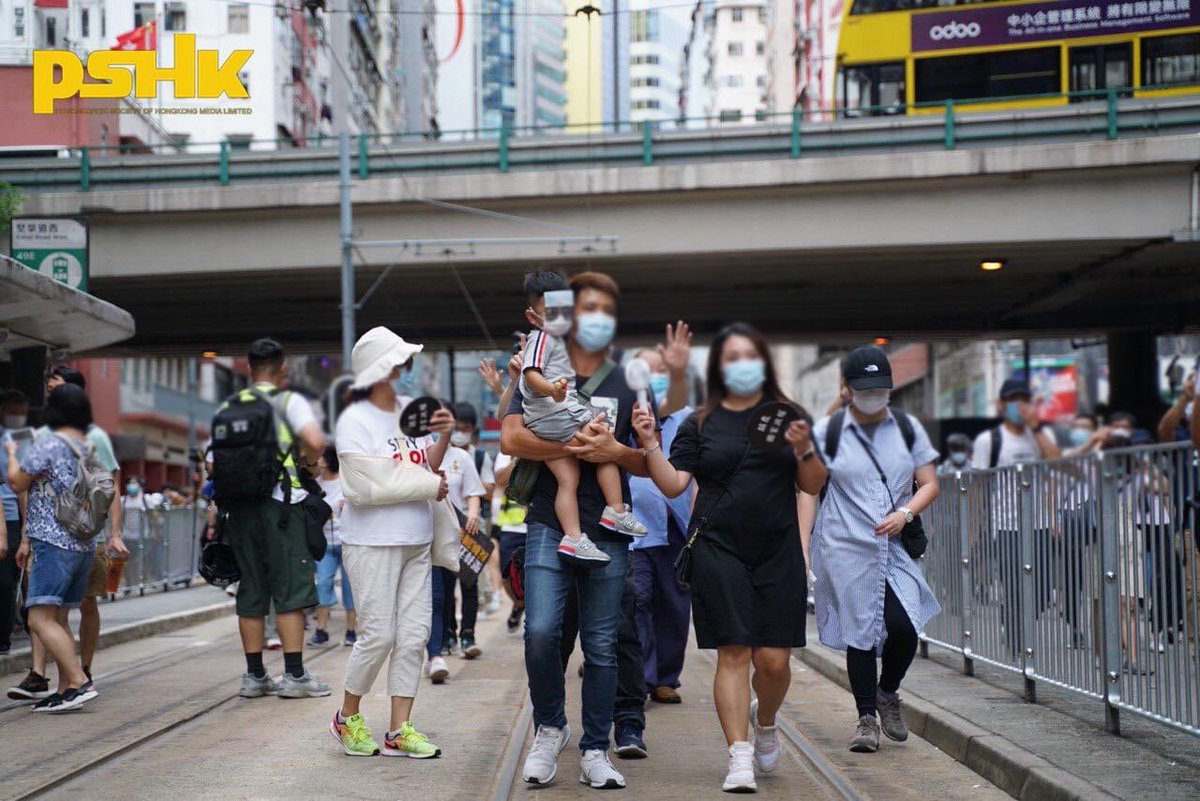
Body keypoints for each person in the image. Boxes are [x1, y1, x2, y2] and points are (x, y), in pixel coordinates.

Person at [632, 322, 827, 793]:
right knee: (735, 652)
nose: (742, 366)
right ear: (720, 367)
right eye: (732, 357)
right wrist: (650, 445)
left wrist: (803, 449)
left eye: (750, 356)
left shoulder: (790, 415)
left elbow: (813, 485)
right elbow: (675, 484)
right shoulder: (699, 422)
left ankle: (766, 723)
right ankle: (738, 754)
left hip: (777, 550)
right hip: (718, 548)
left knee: (775, 662)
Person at [501, 270, 656, 790]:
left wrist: (616, 452)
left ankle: (595, 747)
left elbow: (646, 461)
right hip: (549, 524)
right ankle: (550, 729)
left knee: (603, 644)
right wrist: (571, 447)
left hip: (608, 531)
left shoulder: (626, 377)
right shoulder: (531, 368)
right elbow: (510, 440)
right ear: (537, 316)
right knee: (541, 631)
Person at [811, 345, 941, 755]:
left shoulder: (907, 429)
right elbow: (809, 479)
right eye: (863, 389)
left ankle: (887, 693)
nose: (873, 396)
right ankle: (866, 718)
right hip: (845, 543)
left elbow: (930, 483)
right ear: (848, 388)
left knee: (904, 627)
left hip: (891, 543)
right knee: (861, 631)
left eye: (879, 388)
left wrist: (904, 513)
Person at [330, 326, 451, 758]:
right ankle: (347, 717)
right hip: (371, 542)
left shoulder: (409, 412)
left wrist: (445, 439)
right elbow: (365, 485)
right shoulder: (354, 419)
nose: (405, 371)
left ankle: (400, 729)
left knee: (414, 636)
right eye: (398, 364)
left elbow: (423, 468)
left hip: (417, 538)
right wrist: (425, 484)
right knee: (379, 636)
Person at [216, 338, 330, 700]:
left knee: (251, 590)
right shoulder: (287, 401)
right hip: (282, 507)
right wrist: (307, 462)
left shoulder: (231, 405)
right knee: (290, 591)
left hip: (240, 510)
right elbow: (315, 440)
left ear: (249, 369)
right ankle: (294, 676)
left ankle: (254, 676)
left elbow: (210, 462)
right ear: (283, 368)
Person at [517, 269, 646, 567]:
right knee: (602, 442)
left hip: (550, 416)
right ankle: (614, 510)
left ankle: (573, 538)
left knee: (568, 479)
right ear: (533, 316)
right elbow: (531, 374)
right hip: (553, 413)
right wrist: (552, 390)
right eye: (551, 312)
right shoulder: (543, 338)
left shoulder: (556, 339)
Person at [5, 384, 106, 712]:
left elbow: (18, 482)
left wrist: (10, 455)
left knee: (39, 619)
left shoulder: (47, 443)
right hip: (83, 544)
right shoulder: (86, 446)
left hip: (52, 542)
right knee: (59, 620)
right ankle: (65, 690)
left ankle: (77, 681)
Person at [627, 337, 695, 707]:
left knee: (673, 605)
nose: (655, 376)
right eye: (646, 369)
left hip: (676, 526)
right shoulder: (623, 415)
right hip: (633, 527)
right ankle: (639, 677)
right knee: (637, 600)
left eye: (662, 370)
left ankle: (666, 676)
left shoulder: (686, 419)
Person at [971, 377, 1061, 659]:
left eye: (1024, 400)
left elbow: (1056, 464)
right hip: (1005, 526)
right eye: (1013, 401)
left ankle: (1019, 630)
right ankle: (1018, 646)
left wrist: (1035, 427)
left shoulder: (1042, 436)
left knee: (1045, 589)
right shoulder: (990, 440)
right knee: (1013, 588)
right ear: (1001, 404)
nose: (1019, 406)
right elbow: (979, 485)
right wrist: (974, 528)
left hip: (1039, 524)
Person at [438, 426, 487, 659]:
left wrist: (474, 513)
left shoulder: (461, 457)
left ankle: (468, 636)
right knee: (444, 587)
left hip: (463, 530)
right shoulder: (422, 456)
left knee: (469, 583)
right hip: (437, 533)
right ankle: (448, 634)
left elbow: (473, 491)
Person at [451, 401, 502, 616]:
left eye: (465, 429)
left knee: (473, 563)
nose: (460, 433)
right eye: (456, 428)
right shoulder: (441, 454)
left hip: (474, 518)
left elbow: (490, 490)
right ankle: (482, 598)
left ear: (473, 430)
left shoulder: (479, 457)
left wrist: (469, 485)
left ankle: (482, 600)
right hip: (449, 517)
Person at [311, 444, 356, 648]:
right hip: (325, 545)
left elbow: (358, 503)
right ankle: (321, 629)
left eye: (322, 457)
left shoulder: (346, 483)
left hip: (346, 542)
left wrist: (349, 506)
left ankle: (351, 630)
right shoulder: (316, 485)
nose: (318, 461)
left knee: (350, 587)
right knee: (323, 583)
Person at [0, 389, 28, 655]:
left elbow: (22, 488)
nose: (17, 417)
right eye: (12, 411)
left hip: (10, 518)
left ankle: (3, 637)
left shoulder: (18, 440)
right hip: (6, 519)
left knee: (7, 581)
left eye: (21, 412)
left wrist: (24, 530)